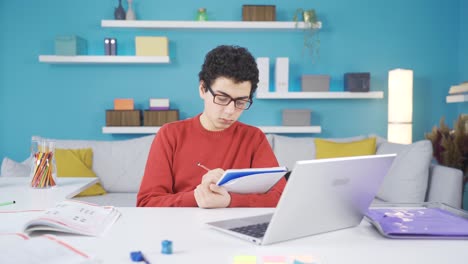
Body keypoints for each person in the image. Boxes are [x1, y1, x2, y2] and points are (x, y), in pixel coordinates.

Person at [137, 45, 286, 208]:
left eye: (241, 102)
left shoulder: (253, 138)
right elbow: (147, 203)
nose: (230, 111)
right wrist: (199, 196)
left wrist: (229, 200)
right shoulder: (170, 134)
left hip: (233, 228)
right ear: (202, 89)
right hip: (179, 227)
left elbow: (281, 197)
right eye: (222, 98)